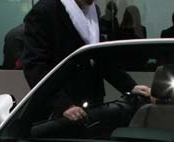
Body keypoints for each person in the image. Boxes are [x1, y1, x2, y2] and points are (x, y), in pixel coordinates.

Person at [22, 0, 150, 122]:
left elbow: (101, 57)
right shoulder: (45, 11)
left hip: (92, 104)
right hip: (59, 111)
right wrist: (63, 104)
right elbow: (35, 67)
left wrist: (130, 86)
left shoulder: (93, 10)